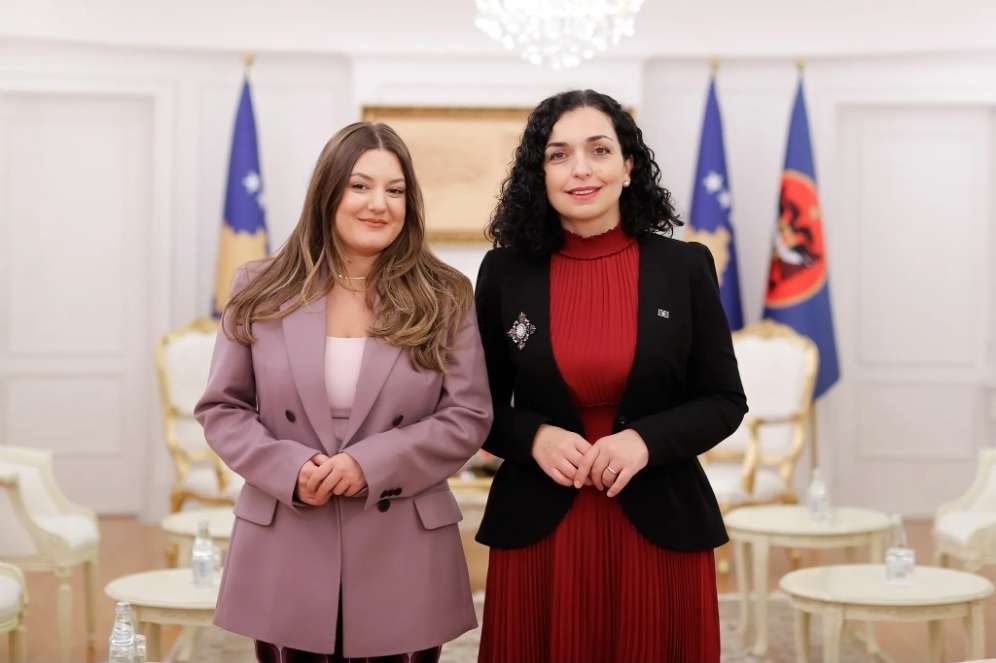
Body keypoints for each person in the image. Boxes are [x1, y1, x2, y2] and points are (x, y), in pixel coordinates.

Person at [195, 121, 493, 662]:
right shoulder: (259, 288)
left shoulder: (445, 294)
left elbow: (467, 415)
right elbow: (223, 407)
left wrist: (368, 465)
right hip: (288, 536)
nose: (379, 204)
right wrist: (290, 467)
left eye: (395, 190)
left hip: (403, 545)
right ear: (328, 191)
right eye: (360, 185)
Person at [474, 89, 748, 663]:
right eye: (559, 155)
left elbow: (724, 400)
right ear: (540, 174)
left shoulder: (684, 267)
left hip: (661, 524)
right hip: (541, 529)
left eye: (599, 150)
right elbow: (476, 407)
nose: (580, 169)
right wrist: (535, 438)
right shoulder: (503, 273)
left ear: (628, 166)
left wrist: (645, 441)